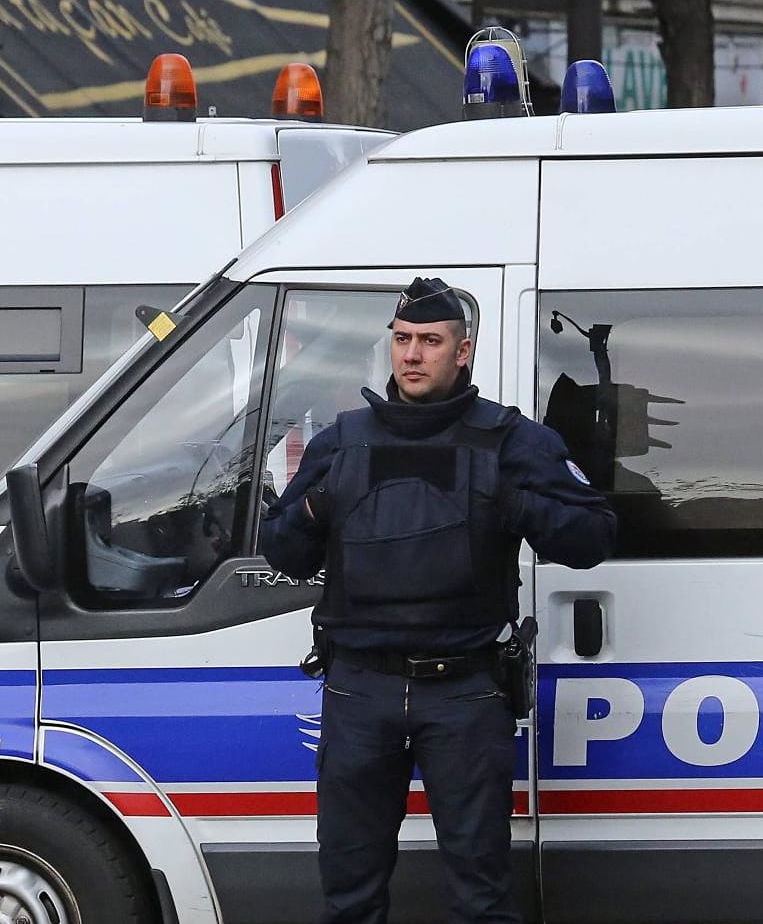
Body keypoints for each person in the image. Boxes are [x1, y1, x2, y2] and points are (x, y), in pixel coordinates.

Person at [260, 276, 617, 924]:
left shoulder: (508, 441)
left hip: (463, 693)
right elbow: (282, 551)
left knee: (480, 893)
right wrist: (316, 502)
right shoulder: (342, 441)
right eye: (401, 340)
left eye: (430, 340)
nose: (413, 354)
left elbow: (592, 534)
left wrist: (510, 501)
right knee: (348, 891)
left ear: (463, 351)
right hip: (358, 691)